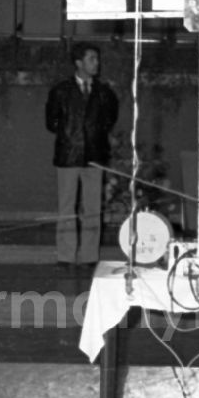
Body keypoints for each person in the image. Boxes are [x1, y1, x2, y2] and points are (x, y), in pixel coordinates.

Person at [45, 42, 119, 271]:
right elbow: (51, 122)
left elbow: (109, 120)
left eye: (96, 59)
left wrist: (93, 136)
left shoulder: (105, 92)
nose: (96, 63)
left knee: (93, 208)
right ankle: (66, 255)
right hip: (68, 155)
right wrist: (71, 134)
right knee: (66, 208)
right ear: (78, 63)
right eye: (91, 59)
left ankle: (89, 256)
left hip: (95, 155)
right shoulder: (60, 90)